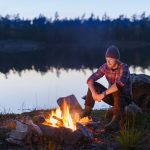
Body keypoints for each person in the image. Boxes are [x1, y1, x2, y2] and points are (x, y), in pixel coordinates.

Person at [81, 45, 132, 130]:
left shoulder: (124, 67)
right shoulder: (105, 66)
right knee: (94, 85)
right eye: (107, 59)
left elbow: (119, 85)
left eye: (110, 60)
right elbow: (90, 79)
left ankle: (115, 121)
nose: (108, 62)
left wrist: (102, 94)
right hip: (112, 97)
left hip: (124, 99)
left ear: (117, 59)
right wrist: (94, 94)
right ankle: (86, 113)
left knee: (116, 88)